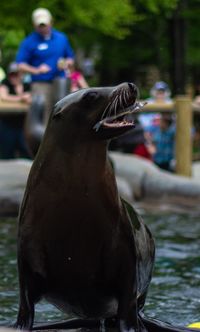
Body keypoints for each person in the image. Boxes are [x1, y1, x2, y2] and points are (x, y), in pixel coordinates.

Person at [16, 7, 75, 124]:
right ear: (34, 25)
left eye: (45, 24)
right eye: (40, 25)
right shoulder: (29, 42)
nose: (43, 28)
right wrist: (36, 70)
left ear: (51, 22)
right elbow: (20, 65)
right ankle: (43, 140)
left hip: (60, 82)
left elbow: (70, 58)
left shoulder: (61, 38)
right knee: (43, 114)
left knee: (63, 112)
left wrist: (66, 63)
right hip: (40, 84)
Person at [0, 62, 31, 159]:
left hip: (22, 122)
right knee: (6, 152)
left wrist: (19, 92)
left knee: (25, 152)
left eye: (16, 74)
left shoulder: (26, 85)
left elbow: (30, 98)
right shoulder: (5, 83)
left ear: (20, 75)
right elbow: (3, 96)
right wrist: (20, 98)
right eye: (11, 75)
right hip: (7, 121)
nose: (13, 77)